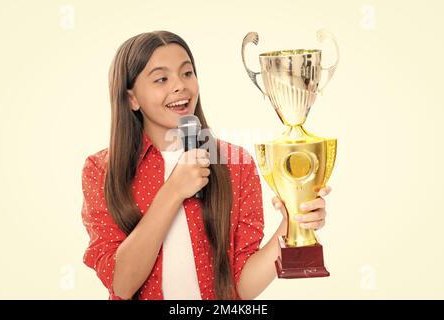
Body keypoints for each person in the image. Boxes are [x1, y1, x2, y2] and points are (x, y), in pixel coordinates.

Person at [81, 30, 332, 300]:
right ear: (131, 98)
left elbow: (242, 287)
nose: (180, 86)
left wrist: (292, 220)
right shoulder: (101, 170)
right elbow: (122, 284)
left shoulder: (235, 163)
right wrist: (173, 190)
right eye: (161, 79)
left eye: (187, 73)